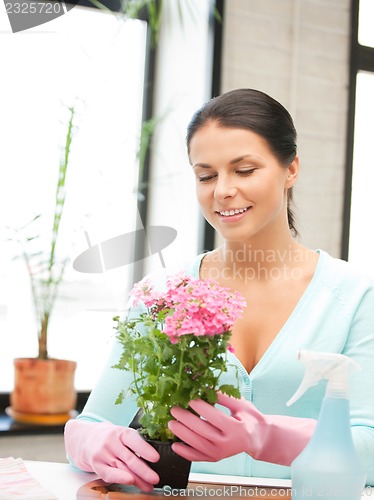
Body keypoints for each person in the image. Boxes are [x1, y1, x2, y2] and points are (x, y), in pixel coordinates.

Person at [64, 88, 374, 491]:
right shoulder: (164, 294)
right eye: (206, 175)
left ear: (291, 168)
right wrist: (91, 442)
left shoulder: (354, 296)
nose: (222, 190)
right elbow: (93, 425)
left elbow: (369, 448)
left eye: (244, 170)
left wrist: (265, 438)